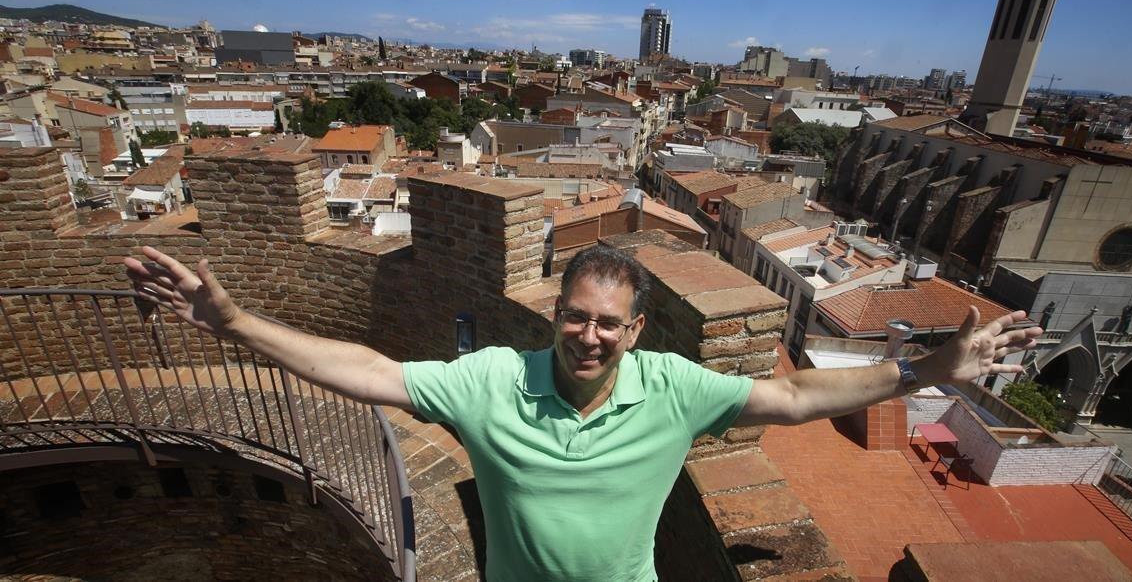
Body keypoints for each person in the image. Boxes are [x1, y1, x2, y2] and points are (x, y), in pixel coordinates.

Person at [125, 243, 1039, 582]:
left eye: (608, 322)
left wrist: (929, 369)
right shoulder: (489, 379)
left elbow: (796, 395)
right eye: (575, 315)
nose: (588, 336)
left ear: (636, 330)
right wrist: (235, 320)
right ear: (554, 314)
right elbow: (365, 368)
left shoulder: (675, 388)